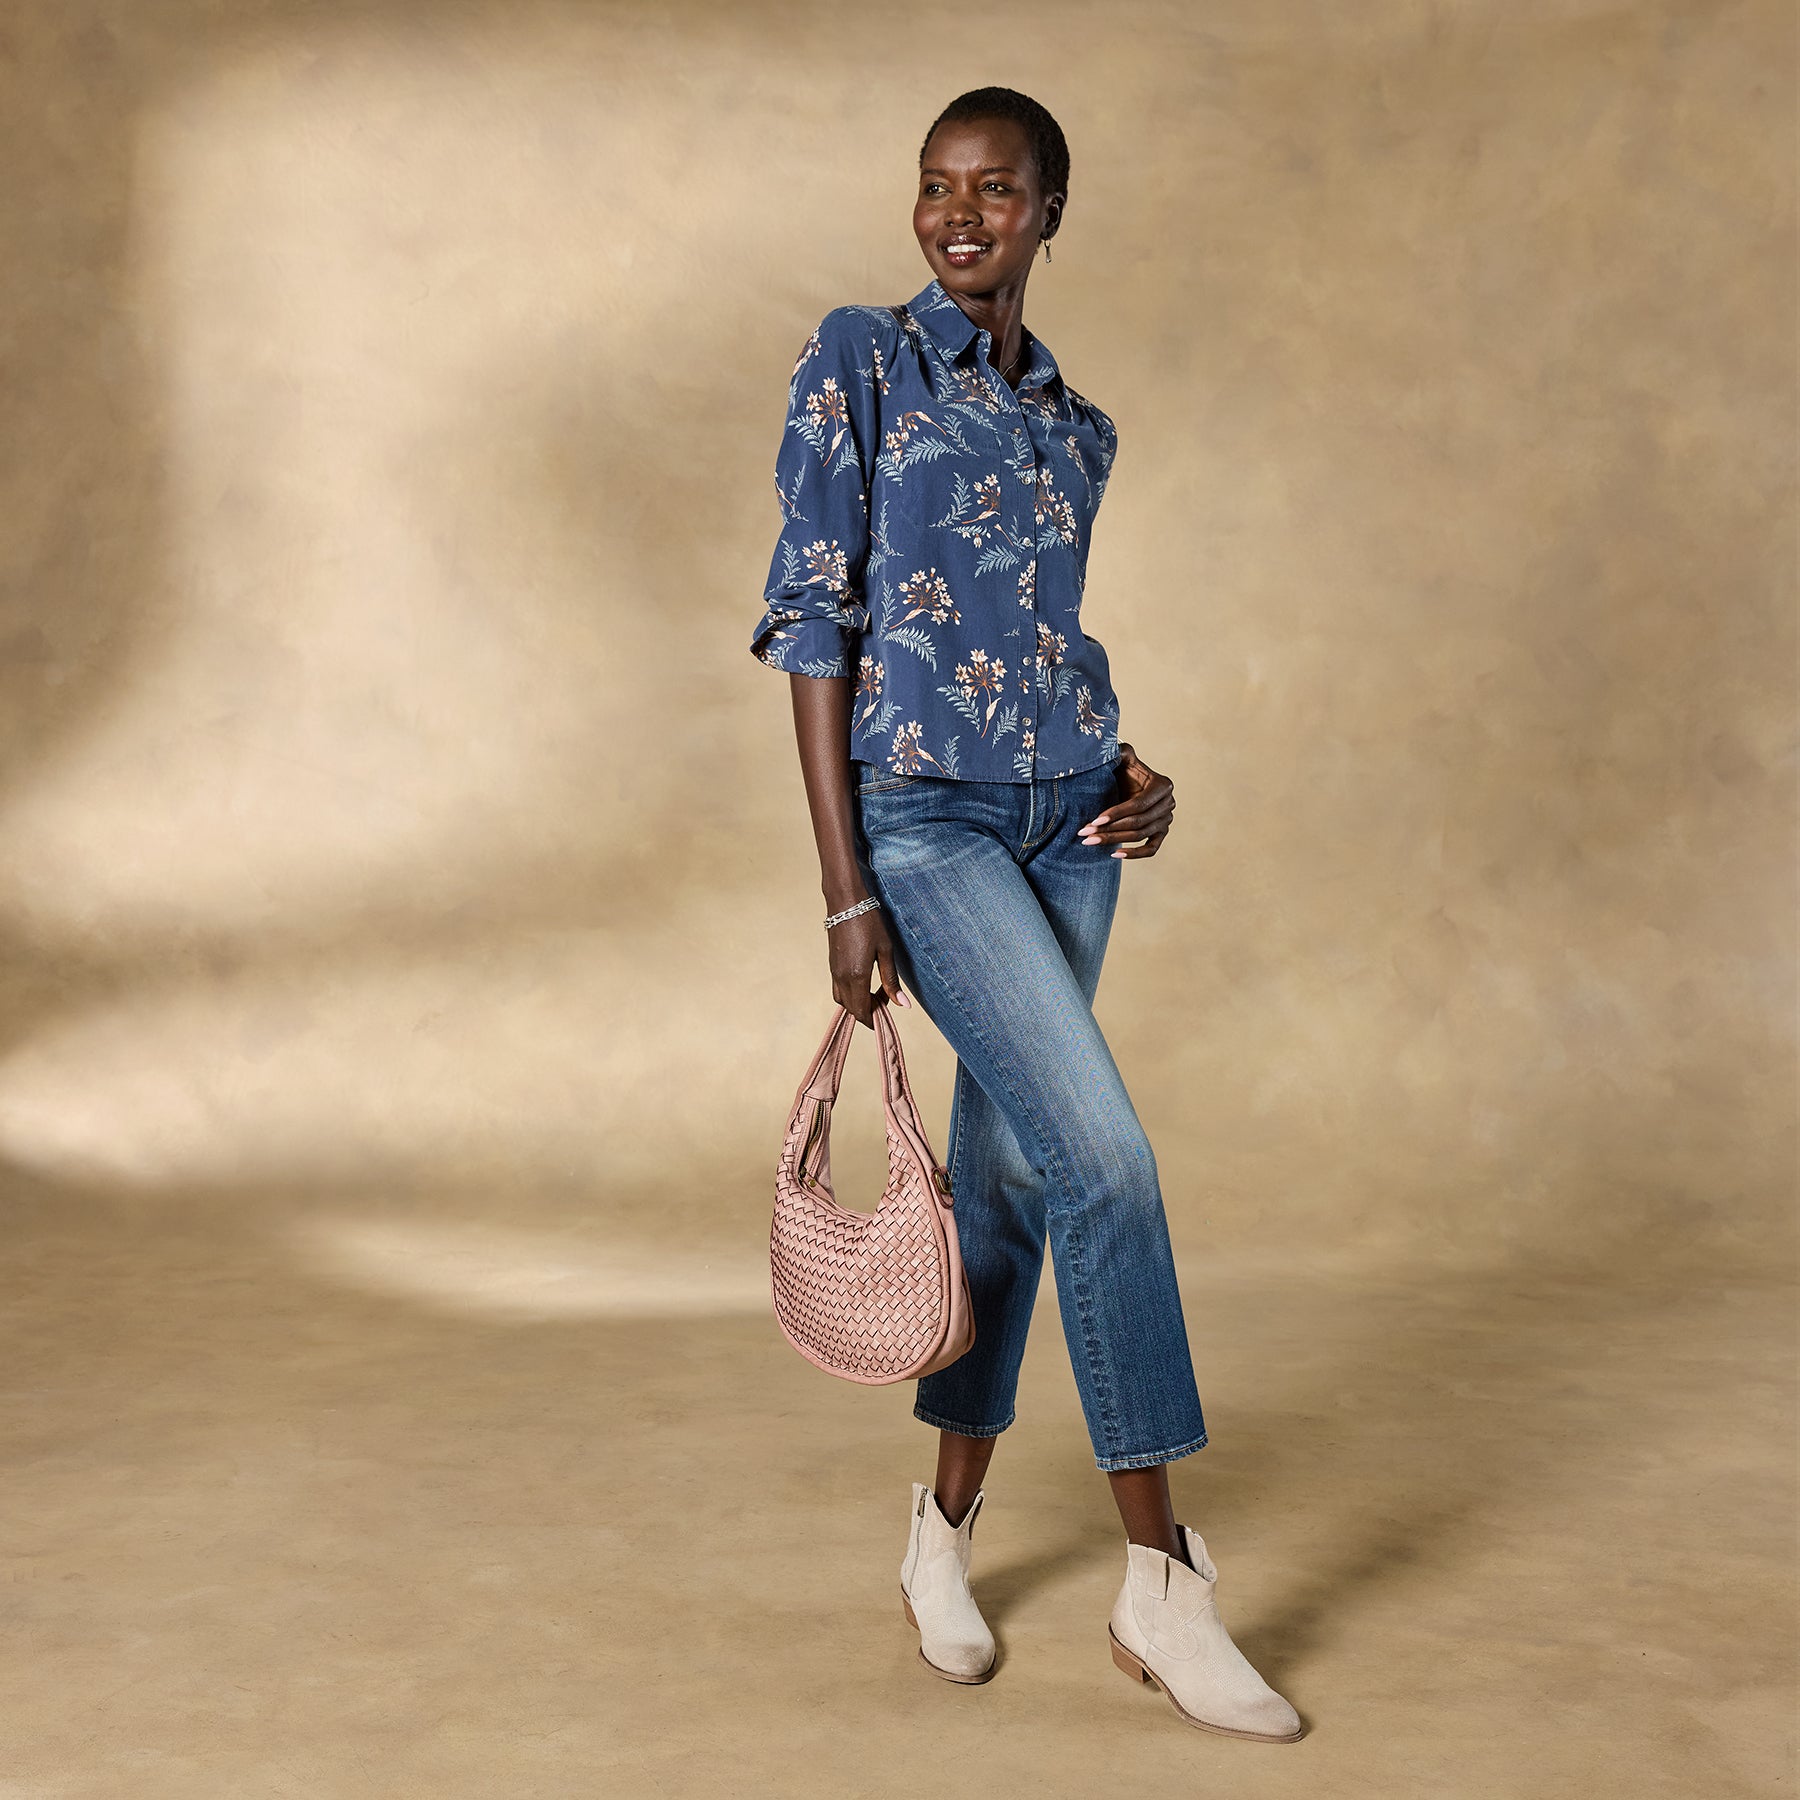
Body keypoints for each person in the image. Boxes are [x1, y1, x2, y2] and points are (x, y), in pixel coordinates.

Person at [748, 85, 1303, 1745]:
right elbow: (817, 623)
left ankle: (940, 1533)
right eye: (937, 186)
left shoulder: (1081, 430)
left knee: (1006, 1180)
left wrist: (1134, 773)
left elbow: (1039, 639)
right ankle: (1165, 1583)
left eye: (995, 189)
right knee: (1105, 1161)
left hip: (1070, 826)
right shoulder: (860, 358)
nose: (958, 213)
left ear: (1052, 210)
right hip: (922, 827)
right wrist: (846, 885)